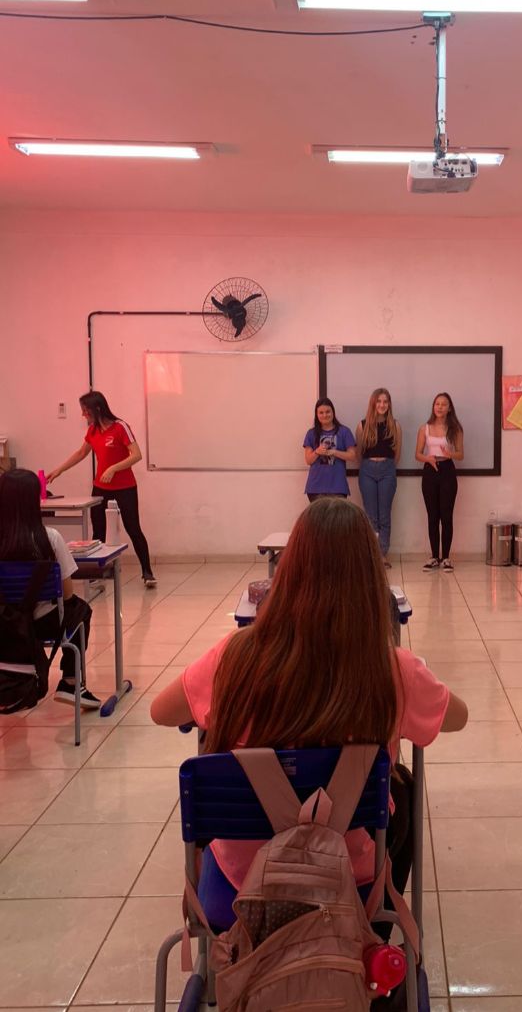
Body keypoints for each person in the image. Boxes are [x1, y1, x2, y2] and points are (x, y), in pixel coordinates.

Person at [150, 497, 467, 928]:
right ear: (371, 579)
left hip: (242, 882)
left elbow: (161, 711)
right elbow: (458, 717)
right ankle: (372, 938)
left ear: (288, 571)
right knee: (401, 789)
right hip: (348, 881)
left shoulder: (233, 656)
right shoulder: (393, 670)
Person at [0, 469, 100, 708]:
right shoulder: (50, 538)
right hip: (44, 624)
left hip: (4, 624)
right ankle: (71, 681)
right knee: (80, 609)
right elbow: (67, 593)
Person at [47, 391, 156, 589]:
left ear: (97, 408)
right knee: (98, 530)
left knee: (133, 528)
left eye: (85, 410)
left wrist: (113, 468)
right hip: (101, 487)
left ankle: (147, 572)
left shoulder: (120, 427)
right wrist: (59, 470)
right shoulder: (93, 430)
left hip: (125, 487)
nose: (83, 415)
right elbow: (81, 453)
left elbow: (136, 455)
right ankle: (96, 574)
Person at [415, 392, 464, 572]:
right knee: (432, 516)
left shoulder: (455, 429)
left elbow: (461, 454)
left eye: (444, 404)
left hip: (447, 470)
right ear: (433, 407)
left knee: (446, 516)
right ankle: (434, 557)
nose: (440, 407)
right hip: (430, 470)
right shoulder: (424, 428)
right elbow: (417, 454)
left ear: (449, 408)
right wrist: (428, 459)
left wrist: (450, 454)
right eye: (437, 404)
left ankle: (446, 558)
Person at [356, 388, 401, 568]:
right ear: (373, 403)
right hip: (367, 471)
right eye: (379, 401)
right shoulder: (362, 425)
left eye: (385, 401)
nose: (382, 405)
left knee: (384, 515)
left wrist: (385, 466)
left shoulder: (395, 426)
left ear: (389, 404)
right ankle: (372, 555)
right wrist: (369, 466)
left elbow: (397, 454)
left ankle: (382, 554)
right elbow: (359, 454)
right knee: (370, 516)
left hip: (387, 471)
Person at [302, 398, 357, 501]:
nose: (325, 415)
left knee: (338, 513)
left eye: (328, 412)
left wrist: (335, 452)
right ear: (316, 415)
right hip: (315, 487)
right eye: (321, 413)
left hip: (338, 486)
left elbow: (352, 456)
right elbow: (308, 460)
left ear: (333, 412)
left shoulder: (344, 431)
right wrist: (317, 452)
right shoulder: (311, 433)